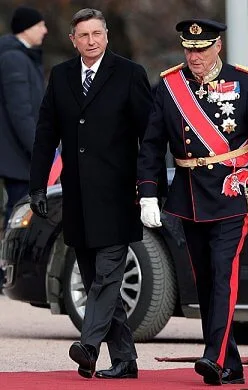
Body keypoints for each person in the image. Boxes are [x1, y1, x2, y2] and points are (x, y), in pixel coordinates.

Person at [136, 19, 248, 385]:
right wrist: (147, 192)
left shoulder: (246, 83)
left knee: (223, 274)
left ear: (218, 47)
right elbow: (152, 144)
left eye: (201, 50)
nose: (194, 56)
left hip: (232, 193)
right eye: (188, 49)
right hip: (188, 196)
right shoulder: (171, 86)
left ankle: (213, 357)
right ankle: (230, 366)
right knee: (204, 281)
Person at [28, 8, 152, 380]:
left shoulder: (130, 74)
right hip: (78, 198)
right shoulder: (63, 75)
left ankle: (89, 345)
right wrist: (37, 185)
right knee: (94, 274)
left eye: (97, 33)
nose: (91, 40)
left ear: (107, 35)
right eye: (84, 35)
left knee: (107, 276)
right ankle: (126, 359)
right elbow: (46, 132)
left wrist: (149, 188)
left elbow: (150, 137)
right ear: (73, 40)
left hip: (118, 195)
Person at [0, 6, 47, 230]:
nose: (45, 30)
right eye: (40, 25)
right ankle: (9, 263)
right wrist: (37, 149)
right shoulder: (14, 59)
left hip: (22, 154)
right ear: (26, 29)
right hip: (18, 157)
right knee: (19, 212)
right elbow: (21, 112)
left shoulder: (26, 58)